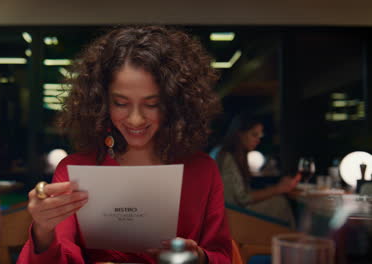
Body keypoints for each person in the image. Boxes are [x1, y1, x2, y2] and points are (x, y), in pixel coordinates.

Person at [17, 26, 232, 264]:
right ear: (101, 101)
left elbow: (222, 256)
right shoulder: (73, 170)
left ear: (174, 104)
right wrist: (43, 230)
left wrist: (199, 258)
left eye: (152, 104)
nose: (136, 119)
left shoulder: (202, 170)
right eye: (121, 103)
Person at [216, 115, 300, 227]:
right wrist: (278, 188)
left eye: (260, 135)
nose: (258, 139)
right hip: (232, 214)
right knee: (280, 203)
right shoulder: (227, 157)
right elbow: (243, 198)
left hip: (230, 210)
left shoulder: (228, 153)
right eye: (254, 134)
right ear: (240, 133)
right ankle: (290, 239)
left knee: (277, 200)